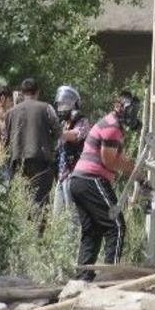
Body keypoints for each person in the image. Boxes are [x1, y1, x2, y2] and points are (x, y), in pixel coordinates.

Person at [70, 91, 142, 282]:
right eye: (130, 110)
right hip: (91, 179)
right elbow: (109, 161)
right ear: (118, 106)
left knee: (92, 232)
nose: (132, 115)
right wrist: (133, 170)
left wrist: (132, 168)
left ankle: (82, 279)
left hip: (79, 180)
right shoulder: (113, 127)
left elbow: (116, 158)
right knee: (116, 226)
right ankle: (110, 279)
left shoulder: (111, 124)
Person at [4, 78, 62, 209]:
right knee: (40, 203)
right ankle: (37, 229)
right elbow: (59, 131)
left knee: (21, 201)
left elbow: (5, 139)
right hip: (40, 161)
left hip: (17, 162)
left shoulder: (10, 113)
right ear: (37, 92)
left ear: (22, 92)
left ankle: (22, 228)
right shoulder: (46, 108)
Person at [52, 86, 91, 228]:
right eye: (60, 104)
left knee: (72, 220)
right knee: (56, 218)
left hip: (75, 176)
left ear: (74, 104)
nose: (62, 107)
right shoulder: (63, 123)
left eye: (65, 104)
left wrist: (56, 132)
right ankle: (56, 247)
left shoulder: (82, 121)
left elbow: (75, 136)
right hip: (62, 175)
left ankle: (73, 249)